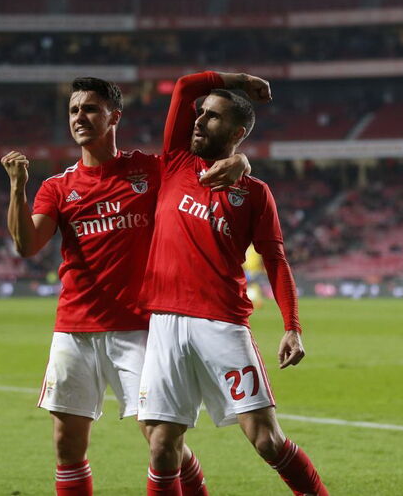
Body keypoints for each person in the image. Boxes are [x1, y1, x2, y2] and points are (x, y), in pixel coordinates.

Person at [2, 76, 252, 496]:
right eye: (74, 110)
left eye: (90, 109)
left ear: (114, 116)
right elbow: (27, 244)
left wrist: (242, 162)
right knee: (67, 445)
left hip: (138, 328)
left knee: (161, 441)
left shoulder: (149, 170)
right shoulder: (57, 188)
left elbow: (207, 165)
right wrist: (16, 187)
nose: (80, 117)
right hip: (75, 330)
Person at [138, 72, 329, 495]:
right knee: (161, 447)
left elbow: (276, 261)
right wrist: (240, 80)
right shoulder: (175, 161)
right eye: (200, 114)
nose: (199, 120)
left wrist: (292, 326)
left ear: (237, 132)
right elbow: (186, 86)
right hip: (165, 323)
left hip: (222, 323)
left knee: (266, 440)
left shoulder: (255, 193)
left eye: (213, 116)